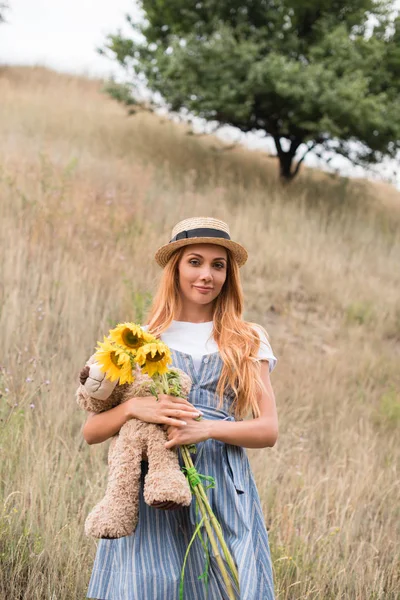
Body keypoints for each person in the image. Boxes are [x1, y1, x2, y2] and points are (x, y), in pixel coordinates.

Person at [81, 216, 278, 600]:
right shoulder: (141, 338)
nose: (206, 274)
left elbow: (268, 430)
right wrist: (134, 407)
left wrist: (205, 429)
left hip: (220, 484)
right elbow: (91, 431)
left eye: (218, 265)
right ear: (176, 268)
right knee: (153, 584)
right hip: (155, 484)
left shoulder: (247, 338)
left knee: (227, 582)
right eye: (195, 261)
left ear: (228, 275)